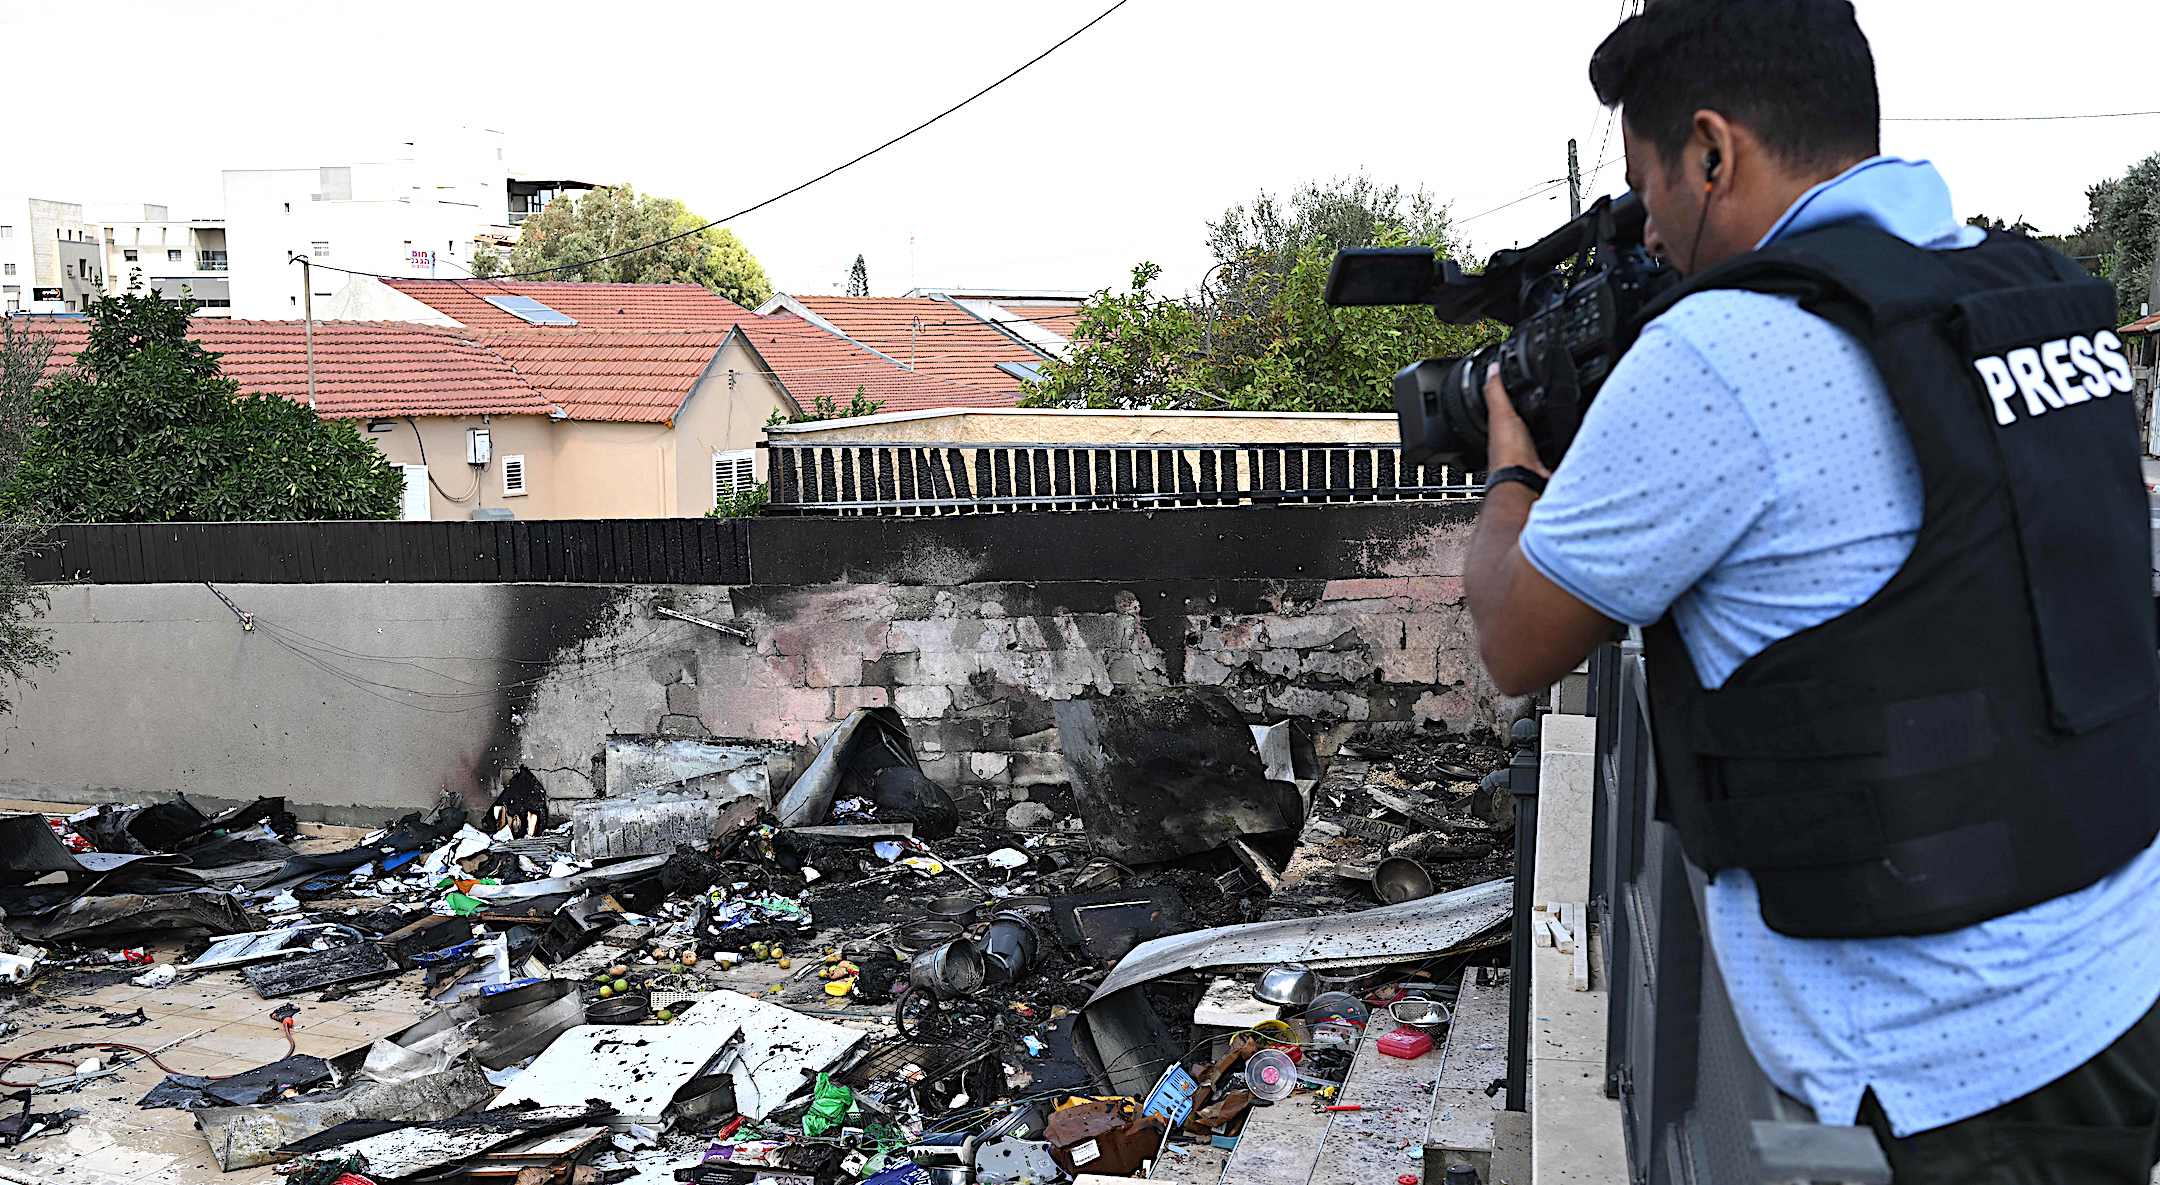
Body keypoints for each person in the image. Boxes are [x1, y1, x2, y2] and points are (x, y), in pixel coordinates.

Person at [1460, 1, 2160, 1180]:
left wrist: (1513, 462)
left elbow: (1516, 637)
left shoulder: (1727, 349)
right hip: (2115, 977)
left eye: (1647, 196)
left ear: (1713, 152)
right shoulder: (2024, 294)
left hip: (1936, 1075)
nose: (1652, 242)